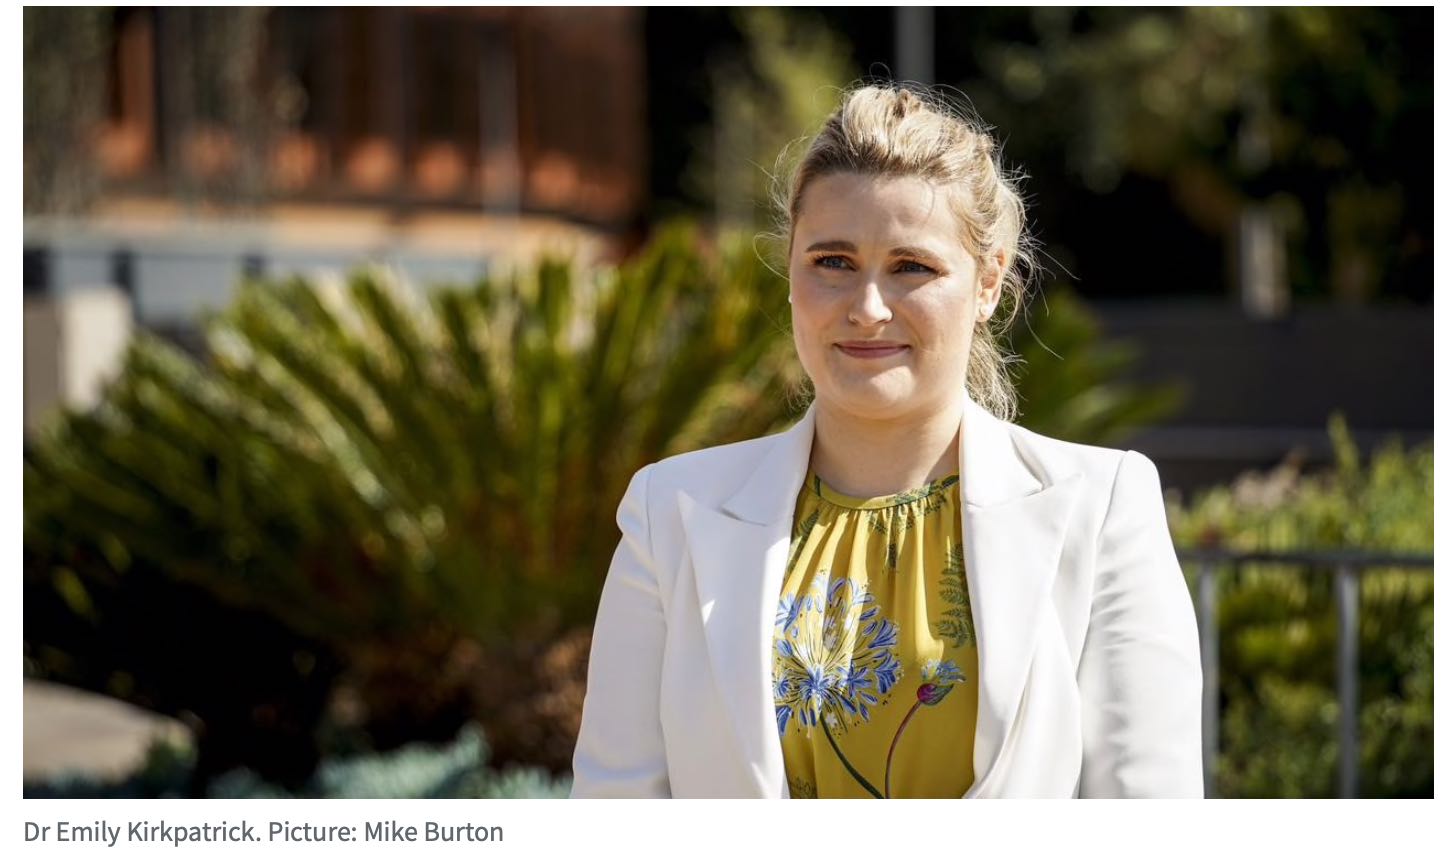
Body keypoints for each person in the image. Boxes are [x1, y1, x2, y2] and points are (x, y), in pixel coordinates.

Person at [570, 84, 1203, 799]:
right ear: (790, 272)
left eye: (912, 267)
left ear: (989, 283)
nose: (868, 308)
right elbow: (615, 813)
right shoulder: (668, 514)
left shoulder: (1103, 506)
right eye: (832, 262)